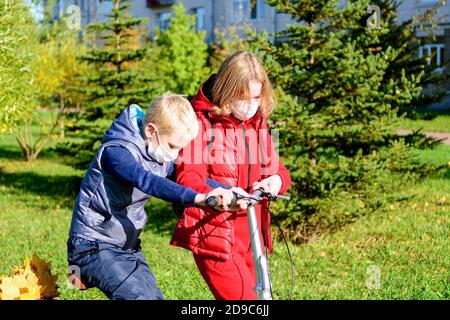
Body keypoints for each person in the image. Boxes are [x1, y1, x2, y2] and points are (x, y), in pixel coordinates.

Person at [67, 92, 246, 300]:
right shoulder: (116, 152)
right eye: (172, 146)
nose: (175, 154)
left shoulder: (155, 150)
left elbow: (187, 177)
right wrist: (199, 199)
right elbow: (147, 181)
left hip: (125, 247)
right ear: (151, 130)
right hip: (90, 245)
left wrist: (231, 191)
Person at [171, 51, 292, 299]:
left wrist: (276, 181)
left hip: (252, 237)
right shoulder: (200, 123)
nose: (250, 104)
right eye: (243, 97)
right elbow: (188, 179)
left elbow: (279, 170)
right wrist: (219, 195)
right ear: (227, 90)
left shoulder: (256, 122)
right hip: (215, 236)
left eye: (257, 97)